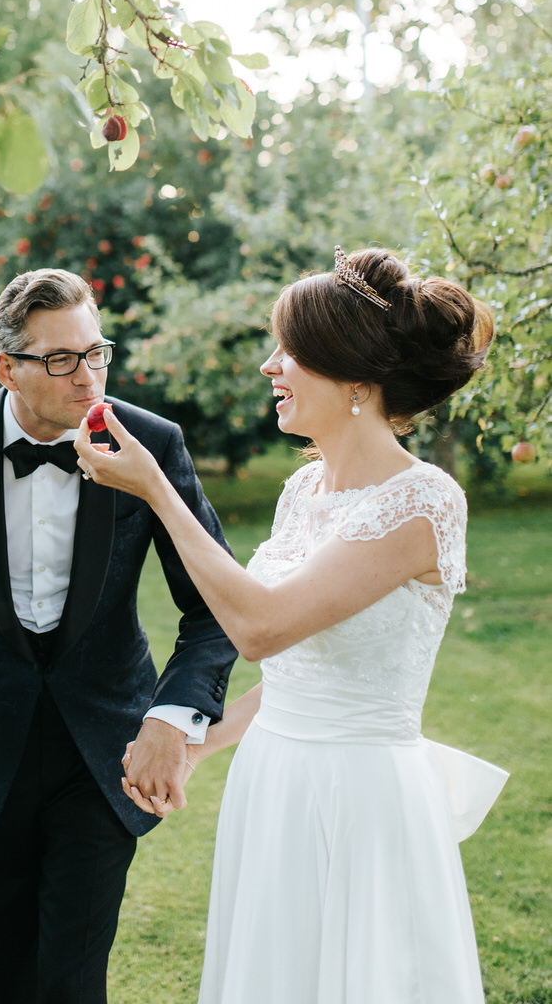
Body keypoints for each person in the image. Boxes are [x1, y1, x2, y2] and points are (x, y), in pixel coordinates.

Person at [76, 246, 509, 1004]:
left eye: (292, 352)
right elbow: (296, 669)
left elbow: (260, 629)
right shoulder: (305, 489)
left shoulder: (425, 502)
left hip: (361, 798)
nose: (272, 367)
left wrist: (156, 490)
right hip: (274, 780)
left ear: (355, 381)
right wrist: (202, 743)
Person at [0, 268, 238, 1004]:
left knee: (71, 982)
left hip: (105, 750)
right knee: (4, 981)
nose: (88, 375)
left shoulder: (152, 445)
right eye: (62, 359)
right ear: (8, 368)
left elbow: (213, 605)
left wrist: (171, 718)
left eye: (96, 352)